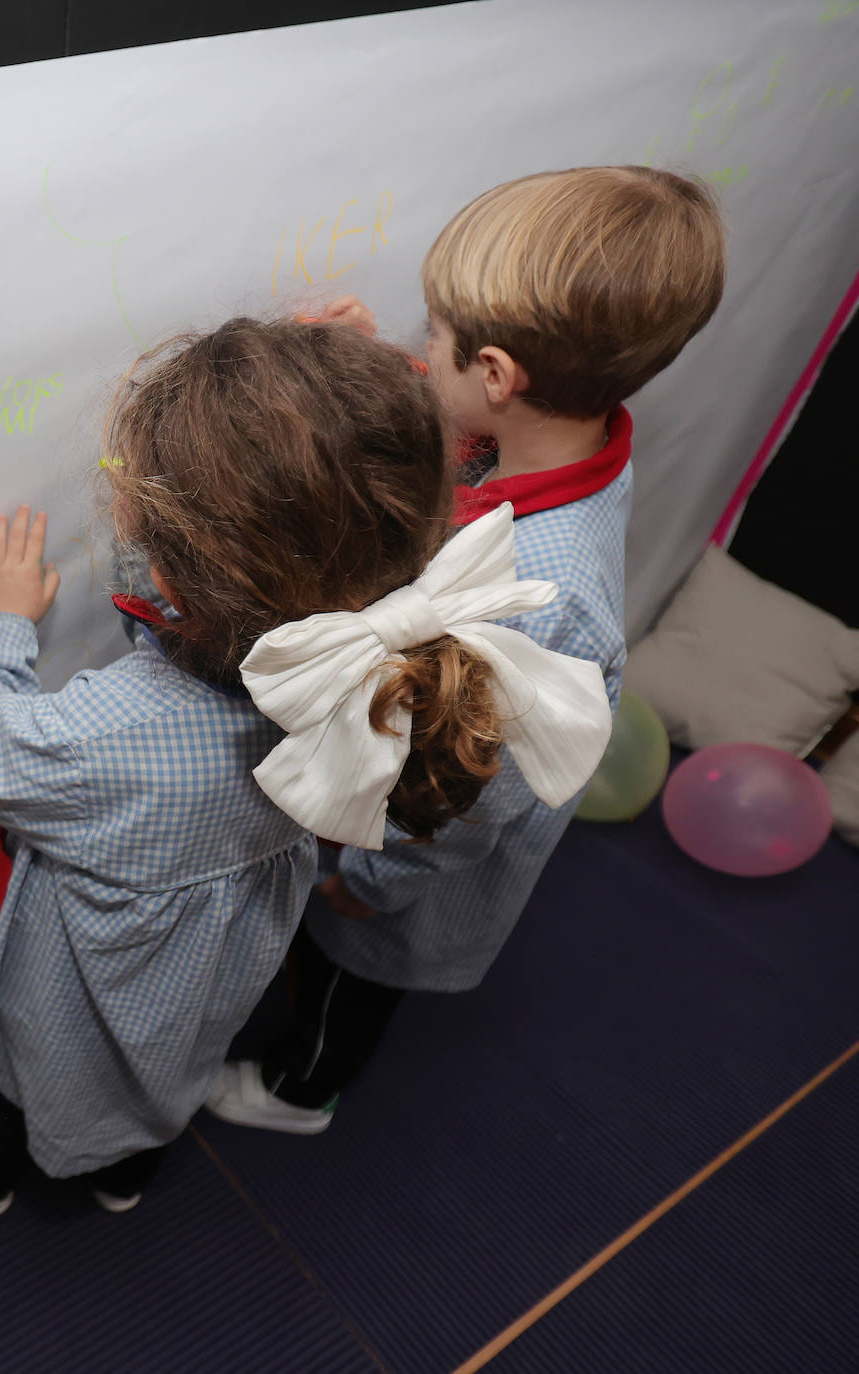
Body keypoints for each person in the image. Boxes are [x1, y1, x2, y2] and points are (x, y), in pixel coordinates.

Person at [0, 317, 612, 1215]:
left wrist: (0, 624)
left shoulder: (110, 731)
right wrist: (308, 396)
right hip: (224, 956)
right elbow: (233, 577)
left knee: (39, 1064)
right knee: (172, 1058)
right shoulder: (373, 667)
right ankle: (123, 1175)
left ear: (164, 554)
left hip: (89, 967)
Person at [207, 165, 727, 1134]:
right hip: (404, 790)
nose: (423, 345)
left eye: (434, 337)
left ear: (496, 375)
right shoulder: (573, 425)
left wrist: (371, 883)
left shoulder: (542, 598)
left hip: (411, 856)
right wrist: (387, 370)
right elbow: (472, 435)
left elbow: (469, 800)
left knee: (343, 979)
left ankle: (296, 1091)